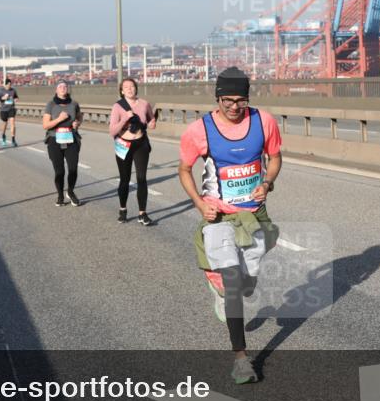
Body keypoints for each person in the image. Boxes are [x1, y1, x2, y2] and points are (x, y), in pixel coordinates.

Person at [178, 67, 282, 384]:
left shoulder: (264, 122)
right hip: (219, 218)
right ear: (217, 98)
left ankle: (226, 291)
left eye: (240, 100)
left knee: (248, 284)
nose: (234, 107)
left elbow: (275, 158)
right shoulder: (200, 131)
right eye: (227, 100)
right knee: (234, 283)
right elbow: (184, 170)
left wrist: (267, 182)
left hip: (254, 216)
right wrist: (200, 203)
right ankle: (241, 359)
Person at [109, 78, 156, 225]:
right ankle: (123, 209)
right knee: (125, 179)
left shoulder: (144, 104)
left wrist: (152, 122)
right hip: (124, 144)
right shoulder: (118, 107)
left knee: (141, 178)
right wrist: (124, 120)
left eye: (132, 86)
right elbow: (112, 131)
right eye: (126, 87)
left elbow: (151, 120)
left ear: (136, 88)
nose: (130, 89)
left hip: (141, 143)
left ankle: (143, 213)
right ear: (122, 91)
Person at [42, 81, 83, 207]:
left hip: (71, 139)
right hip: (55, 140)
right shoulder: (51, 104)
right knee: (59, 171)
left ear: (68, 89)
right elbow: (45, 125)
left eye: (65, 86)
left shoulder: (74, 103)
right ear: (56, 90)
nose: (63, 88)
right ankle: (60, 195)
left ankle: (70, 192)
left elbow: (79, 117)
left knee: (73, 169)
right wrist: (59, 119)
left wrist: (77, 123)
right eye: (60, 86)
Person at [0, 78, 19, 147]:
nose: (10, 86)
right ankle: (3, 136)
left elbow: (16, 97)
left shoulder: (13, 90)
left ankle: (13, 140)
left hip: (11, 108)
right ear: (5, 84)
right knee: (5, 124)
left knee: (12, 122)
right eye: (8, 85)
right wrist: (2, 98)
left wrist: (16, 99)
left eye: (10, 84)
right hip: (4, 110)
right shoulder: (1, 91)